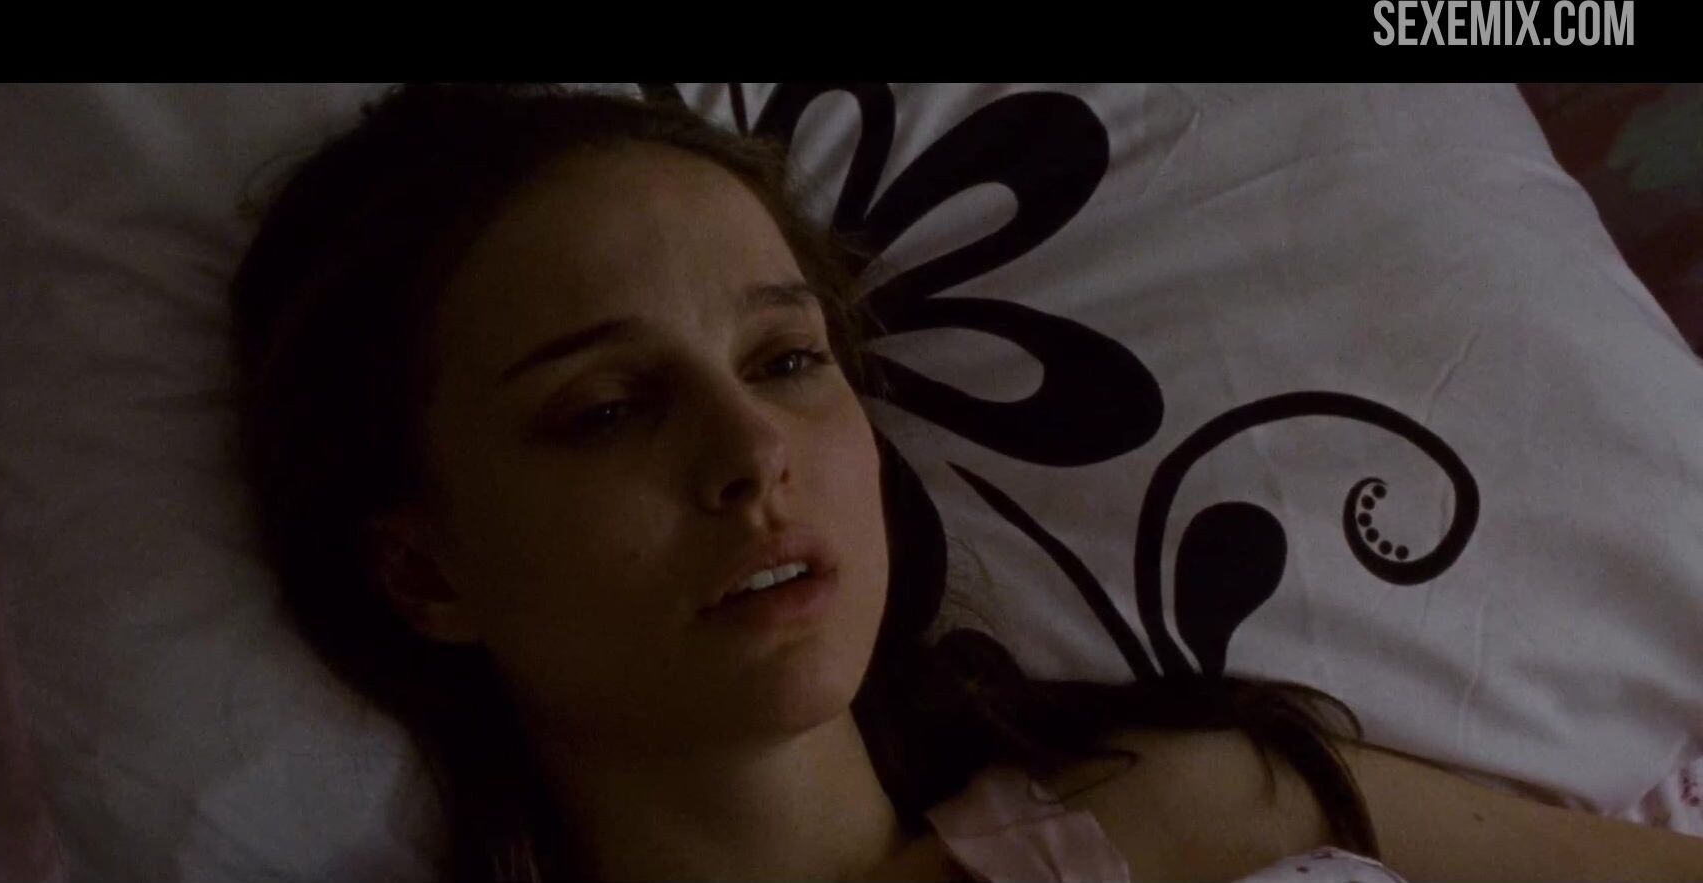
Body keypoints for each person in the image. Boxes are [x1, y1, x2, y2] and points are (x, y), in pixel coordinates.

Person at [229, 83, 1703, 882]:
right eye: (607, 410)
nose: (750, 455)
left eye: (786, 360)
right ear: (425, 569)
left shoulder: (1193, 803)